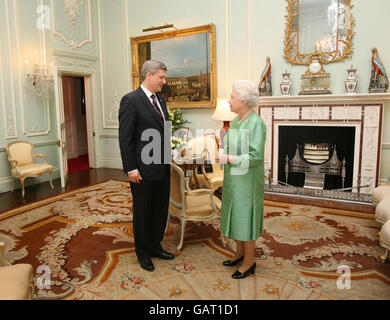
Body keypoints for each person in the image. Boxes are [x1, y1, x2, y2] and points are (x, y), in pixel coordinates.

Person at [118, 60, 174, 272]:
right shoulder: (130, 101)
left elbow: (166, 131)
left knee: (160, 210)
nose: (164, 81)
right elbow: (126, 139)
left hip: (162, 167)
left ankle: (155, 246)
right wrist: (131, 168)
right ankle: (143, 253)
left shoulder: (160, 99)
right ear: (148, 75)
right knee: (143, 212)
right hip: (142, 170)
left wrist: (168, 159)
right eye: (161, 77)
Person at [216, 80, 266, 279]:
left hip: (248, 181)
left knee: (246, 217)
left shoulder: (256, 123)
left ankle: (249, 262)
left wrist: (228, 158)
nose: (229, 101)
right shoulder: (236, 121)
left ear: (244, 101)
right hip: (233, 178)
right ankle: (239, 254)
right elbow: (233, 147)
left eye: (232, 97)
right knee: (235, 214)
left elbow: (255, 157)